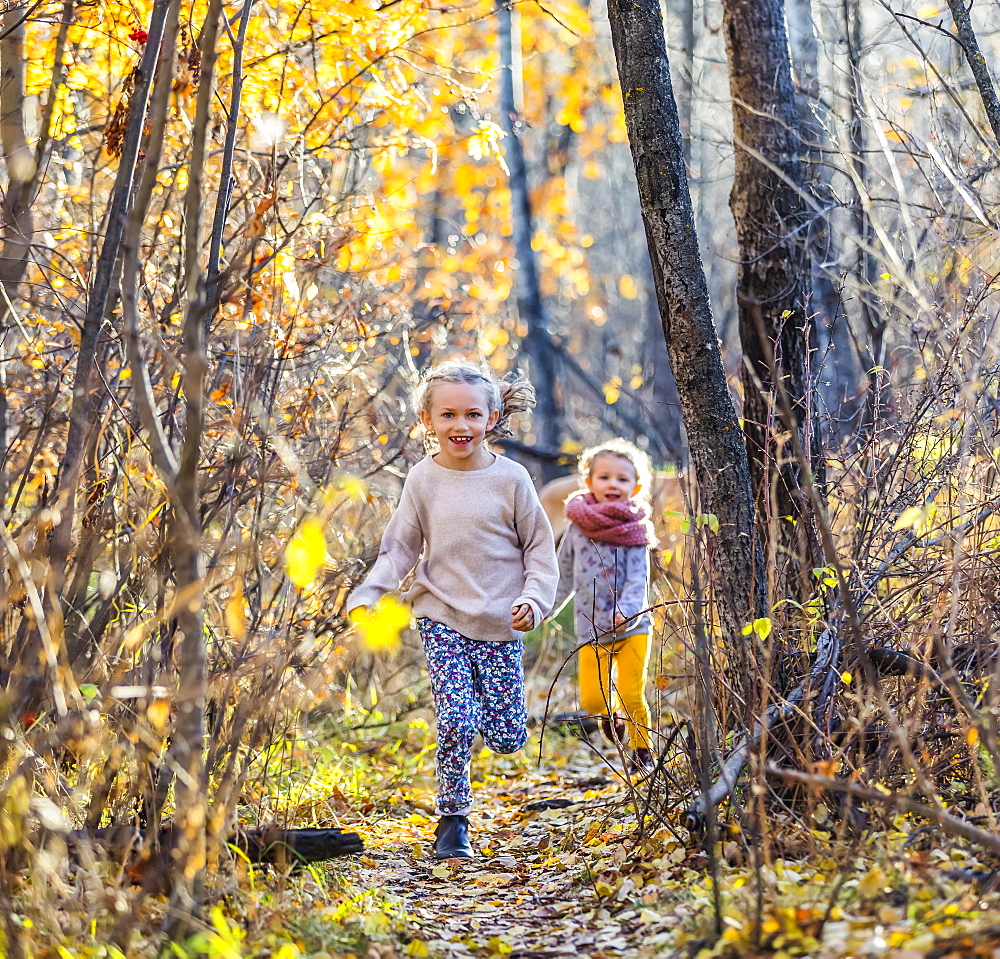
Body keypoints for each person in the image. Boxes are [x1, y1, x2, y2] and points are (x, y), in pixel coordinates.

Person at [347, 359, 558, 859]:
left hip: (502, 619)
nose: (460, 426)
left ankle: (496, 734)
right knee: (457, 721)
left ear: (492, 416)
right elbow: (399, 547)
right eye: (447, 416)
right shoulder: (422, 480)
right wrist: (369, 591)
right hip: (440, 613)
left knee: (507, 738)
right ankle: (453, 820)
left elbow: (539, 550)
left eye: (471, 415)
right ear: (427, 420)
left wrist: (533, 599)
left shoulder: (512, 479)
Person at [552, 439, 656, 779]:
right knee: (594, 701)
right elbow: (563, 576)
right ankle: (609, 716)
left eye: (623, 479)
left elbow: (639, 578)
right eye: (605, 477)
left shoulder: (636, 531)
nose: (613, 484)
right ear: (588, 482)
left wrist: (627, 610)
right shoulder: (576, 529)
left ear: (636, 487)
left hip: (632, 628)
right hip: (591, 630)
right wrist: (541, 610)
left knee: (630, 692)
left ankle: (643, 751)